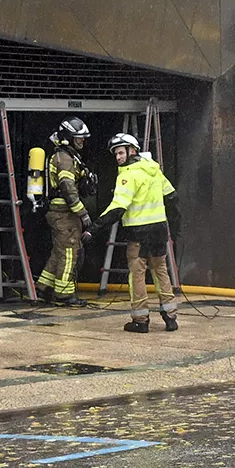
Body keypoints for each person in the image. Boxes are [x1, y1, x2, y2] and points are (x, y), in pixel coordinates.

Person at [85, 133, 179, 333]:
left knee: (137, 275)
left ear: (132, 150)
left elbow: (118, 208)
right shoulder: (154, 170)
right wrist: (176, 227)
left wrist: (94, 229)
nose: (118, 157)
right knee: (161, 271)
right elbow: (172, 197)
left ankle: (141, 320)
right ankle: (170, 317)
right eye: (116, 154)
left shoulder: (127, 175)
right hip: (159, 230)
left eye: (120, 152)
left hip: (138, 233)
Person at [38, 118, 94, 307]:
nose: (82, 142)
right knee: (70, 253)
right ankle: (64, 295)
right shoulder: (65, 158)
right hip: (64, 213)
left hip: (60, 213)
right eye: (78, 139)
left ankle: (44, 288)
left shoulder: (65, 156)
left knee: (59, 252)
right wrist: (83, 213)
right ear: (68, 138)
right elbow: (68, 188)